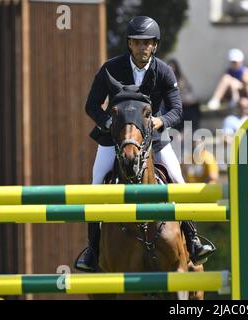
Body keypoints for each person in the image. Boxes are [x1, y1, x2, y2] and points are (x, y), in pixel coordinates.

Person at [76, 16, 215, 272]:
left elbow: (176, 109)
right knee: (96, 186)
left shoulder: (163, 70)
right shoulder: (110, 69)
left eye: (147, 43)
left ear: (155, 45)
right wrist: (109, 124)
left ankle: (193, 240)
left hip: (155, 139)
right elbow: (92, 105)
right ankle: (93, 251)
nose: (142, 48)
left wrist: (160, 122)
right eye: (137, 43)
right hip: (114, 138)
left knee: (178, 181)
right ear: (129, 44)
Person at [167, 59, 201, 131]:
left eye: (173, 68)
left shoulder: (182, 79)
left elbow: (188, 93)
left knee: (193, 112)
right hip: (178, 108)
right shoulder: (167, 82)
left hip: (189, 106)